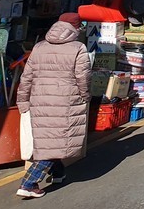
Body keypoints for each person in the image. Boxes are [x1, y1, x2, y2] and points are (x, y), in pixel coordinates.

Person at [16, 12, 91, 199]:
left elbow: (26, 78)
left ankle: (58, 173)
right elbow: (83, 77)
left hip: (40, 101)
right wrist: (85, 96)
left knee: (51, 139)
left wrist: (22, 101)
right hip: (65, 101)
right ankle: (28, 183)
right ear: (75, 28)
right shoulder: (78, 48)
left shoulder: (39, 47)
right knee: (57, 140)